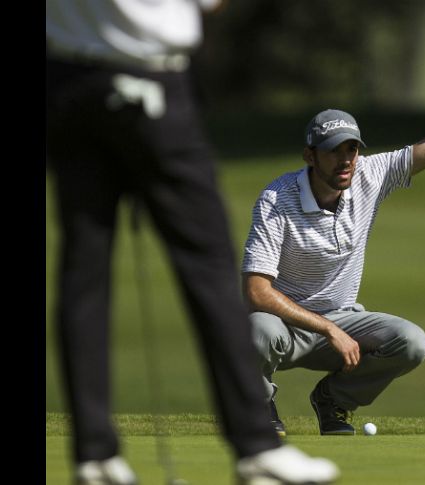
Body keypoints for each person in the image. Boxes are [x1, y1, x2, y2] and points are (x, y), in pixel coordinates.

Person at [46, 1, 339, 483]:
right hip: (153, 84)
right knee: (208, 268)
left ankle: (94, 456)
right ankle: (255, 445)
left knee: (84, 269)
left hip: (68, 86)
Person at [242, 47, 425, 436]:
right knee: (257, 330)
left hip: (343, 319)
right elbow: (256, 292)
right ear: (310, 155)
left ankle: (334, 402)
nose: (346, 160)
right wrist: (328, 330)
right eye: (333, 151)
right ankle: (258, 408)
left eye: (352, 148)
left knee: (411, 342)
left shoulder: (369, 176)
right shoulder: (277, 199)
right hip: (285, 325)